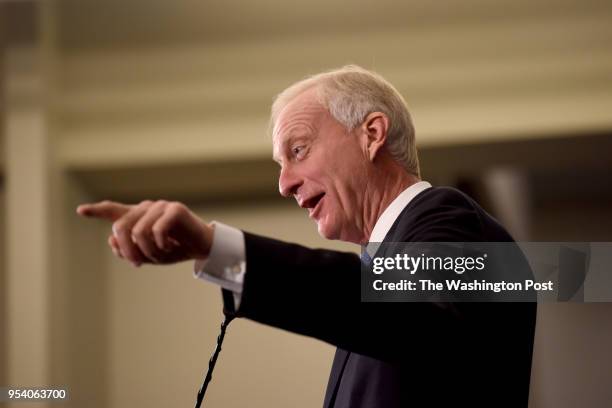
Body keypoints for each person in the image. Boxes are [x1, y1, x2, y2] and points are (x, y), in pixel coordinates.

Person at [77, 65, 536, 407]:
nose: (285, 184)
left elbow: (408, 319)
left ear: (371, 134)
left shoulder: (448, 220)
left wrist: (216, 247)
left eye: (298, 151)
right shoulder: (380, 267)